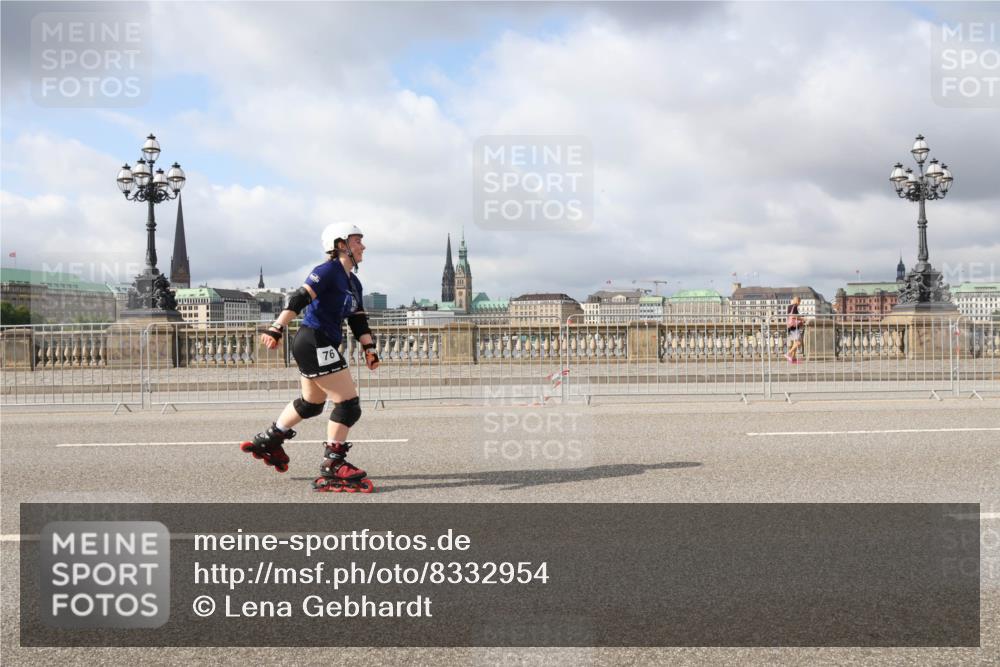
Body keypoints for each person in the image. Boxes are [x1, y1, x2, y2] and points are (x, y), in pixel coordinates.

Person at [240, 223, 380, 493]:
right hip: (313, 341)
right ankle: (334, 463)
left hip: (321, 343)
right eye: (357, 241)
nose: (363, 246)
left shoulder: (354, 282)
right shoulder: (326, 271)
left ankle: (270, 439)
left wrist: (369, 348)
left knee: (312, 403)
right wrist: (276, 327)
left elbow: (357, 319)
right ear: (341, 245)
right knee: (348, 405)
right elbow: (300, 298)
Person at [785, 296, 805, 364]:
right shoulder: (795, 306)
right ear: (797, 301)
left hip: (790, 327)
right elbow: (793, 316)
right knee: (798, 343)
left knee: (795, 343)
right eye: (799, 302)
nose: (799, 303)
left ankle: (793, 359)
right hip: (794, 327)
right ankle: (788, 354)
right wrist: (802, 319)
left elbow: (789, 316)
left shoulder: (789, 307)